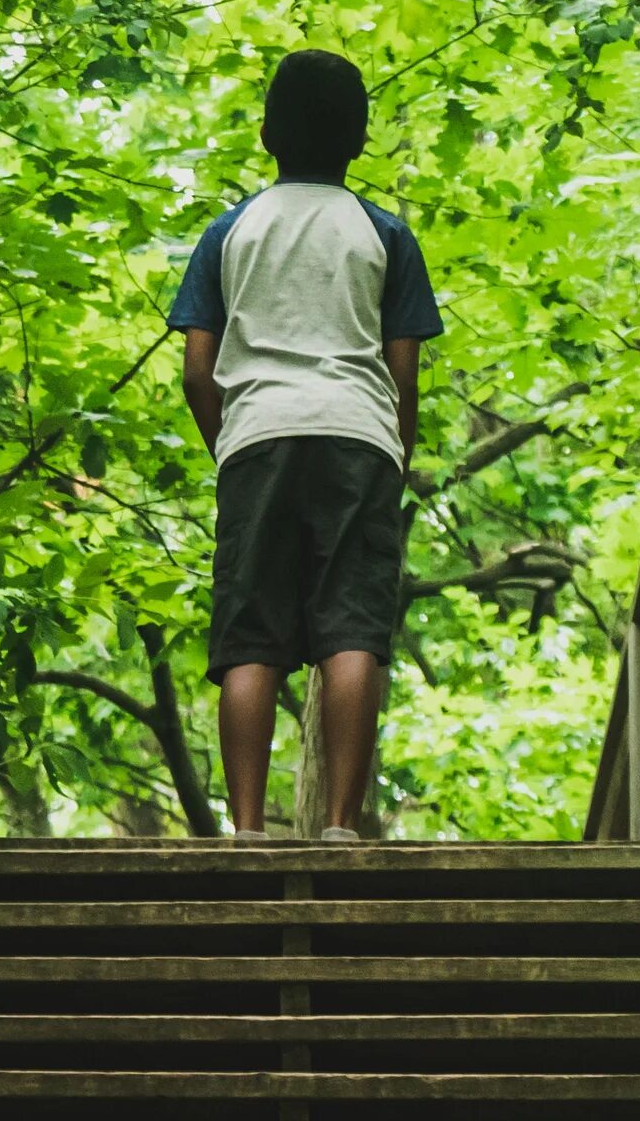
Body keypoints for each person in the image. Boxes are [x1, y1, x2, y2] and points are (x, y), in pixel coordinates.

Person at [167, 48, 440, 842]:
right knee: (353, 627)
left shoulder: (231, 232)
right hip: (358, 434)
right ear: (359, 142)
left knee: (251, 634)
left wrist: (231, 446)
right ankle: (342, 825)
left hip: (257, 437)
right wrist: (394, 451)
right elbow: (402, 373)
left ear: (266, 134)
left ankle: (247, 831)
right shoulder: (384, 234)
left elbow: (195, 371)